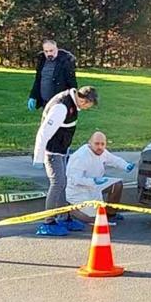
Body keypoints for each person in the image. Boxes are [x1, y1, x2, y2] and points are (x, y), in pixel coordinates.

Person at [33, 86, 99, 236]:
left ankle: (63, 217)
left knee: (64, 182)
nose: (88, 108)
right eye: (89, 105)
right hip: (52, 152)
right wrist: (39, 157)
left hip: (61, 151)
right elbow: (44, 132)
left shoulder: (72, 104)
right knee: (57, 184)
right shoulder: (62, 107)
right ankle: (48, 222)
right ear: (83, 100)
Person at [66, 131, 135, 224]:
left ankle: (111, 213)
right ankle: (71, 209)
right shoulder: (81, 156)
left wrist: (126, 166)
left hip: (95, 186)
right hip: (78, 191)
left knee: (117, 185)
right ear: (90, 143)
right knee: (95, 220)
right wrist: (93, 181)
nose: (100, 147)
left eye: (103, 144)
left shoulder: (102, 152)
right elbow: (75, 179)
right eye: (97, 144)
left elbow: (114, 160)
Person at [27, 40, 77, 111]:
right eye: (46, 51)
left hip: (60, 102)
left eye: (51, 50)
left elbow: (72, 83)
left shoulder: (66, 62)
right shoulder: (42, 61)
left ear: (56, 49)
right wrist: (33, 96)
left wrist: (72, 103)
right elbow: (38, 80)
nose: (49, 53)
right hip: (45, 102)